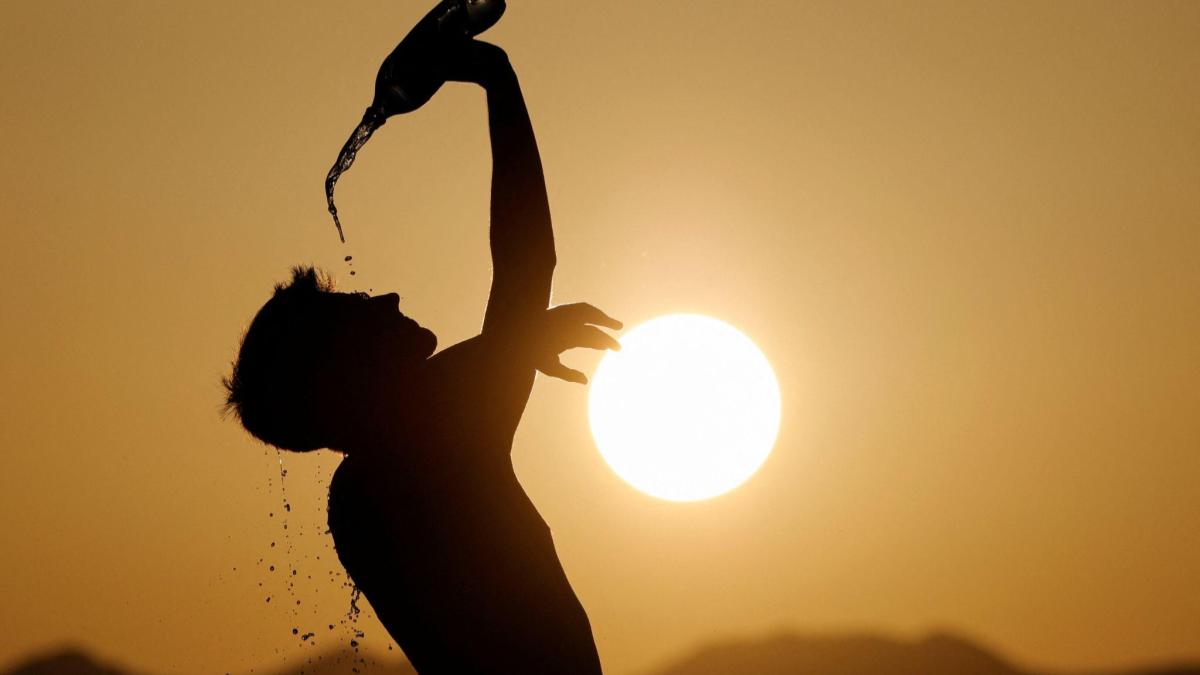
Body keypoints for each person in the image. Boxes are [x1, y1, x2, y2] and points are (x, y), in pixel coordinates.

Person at [224, 36, 617, 675]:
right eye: (359, 307)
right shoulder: (423, 449)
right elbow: (527, 263)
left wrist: (514, 341)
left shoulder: (367, 486)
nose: (389, 297)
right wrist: (495, 77)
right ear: (347, 372)